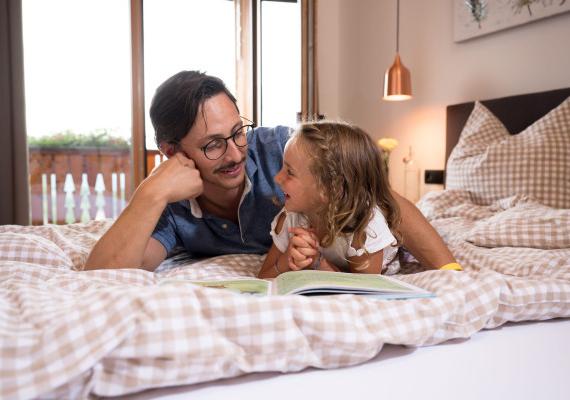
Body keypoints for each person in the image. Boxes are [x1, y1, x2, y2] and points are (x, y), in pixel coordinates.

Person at [84, 70, 459, 272]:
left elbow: (379, 200)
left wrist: (450, 274)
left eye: (237, 132)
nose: (235, 153)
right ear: (171, 152)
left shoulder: (284, 149)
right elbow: (107, 273)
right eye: (213, 144)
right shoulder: (171, 202)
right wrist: (151, 192)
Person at [257, 121, 401, 279]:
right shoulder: (291, 217)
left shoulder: (365, 227)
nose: (277, 178)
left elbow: (363, 287)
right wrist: (287, 259)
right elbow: (265, 275)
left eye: (290, 172)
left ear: (328, 188)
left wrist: (317, 262)